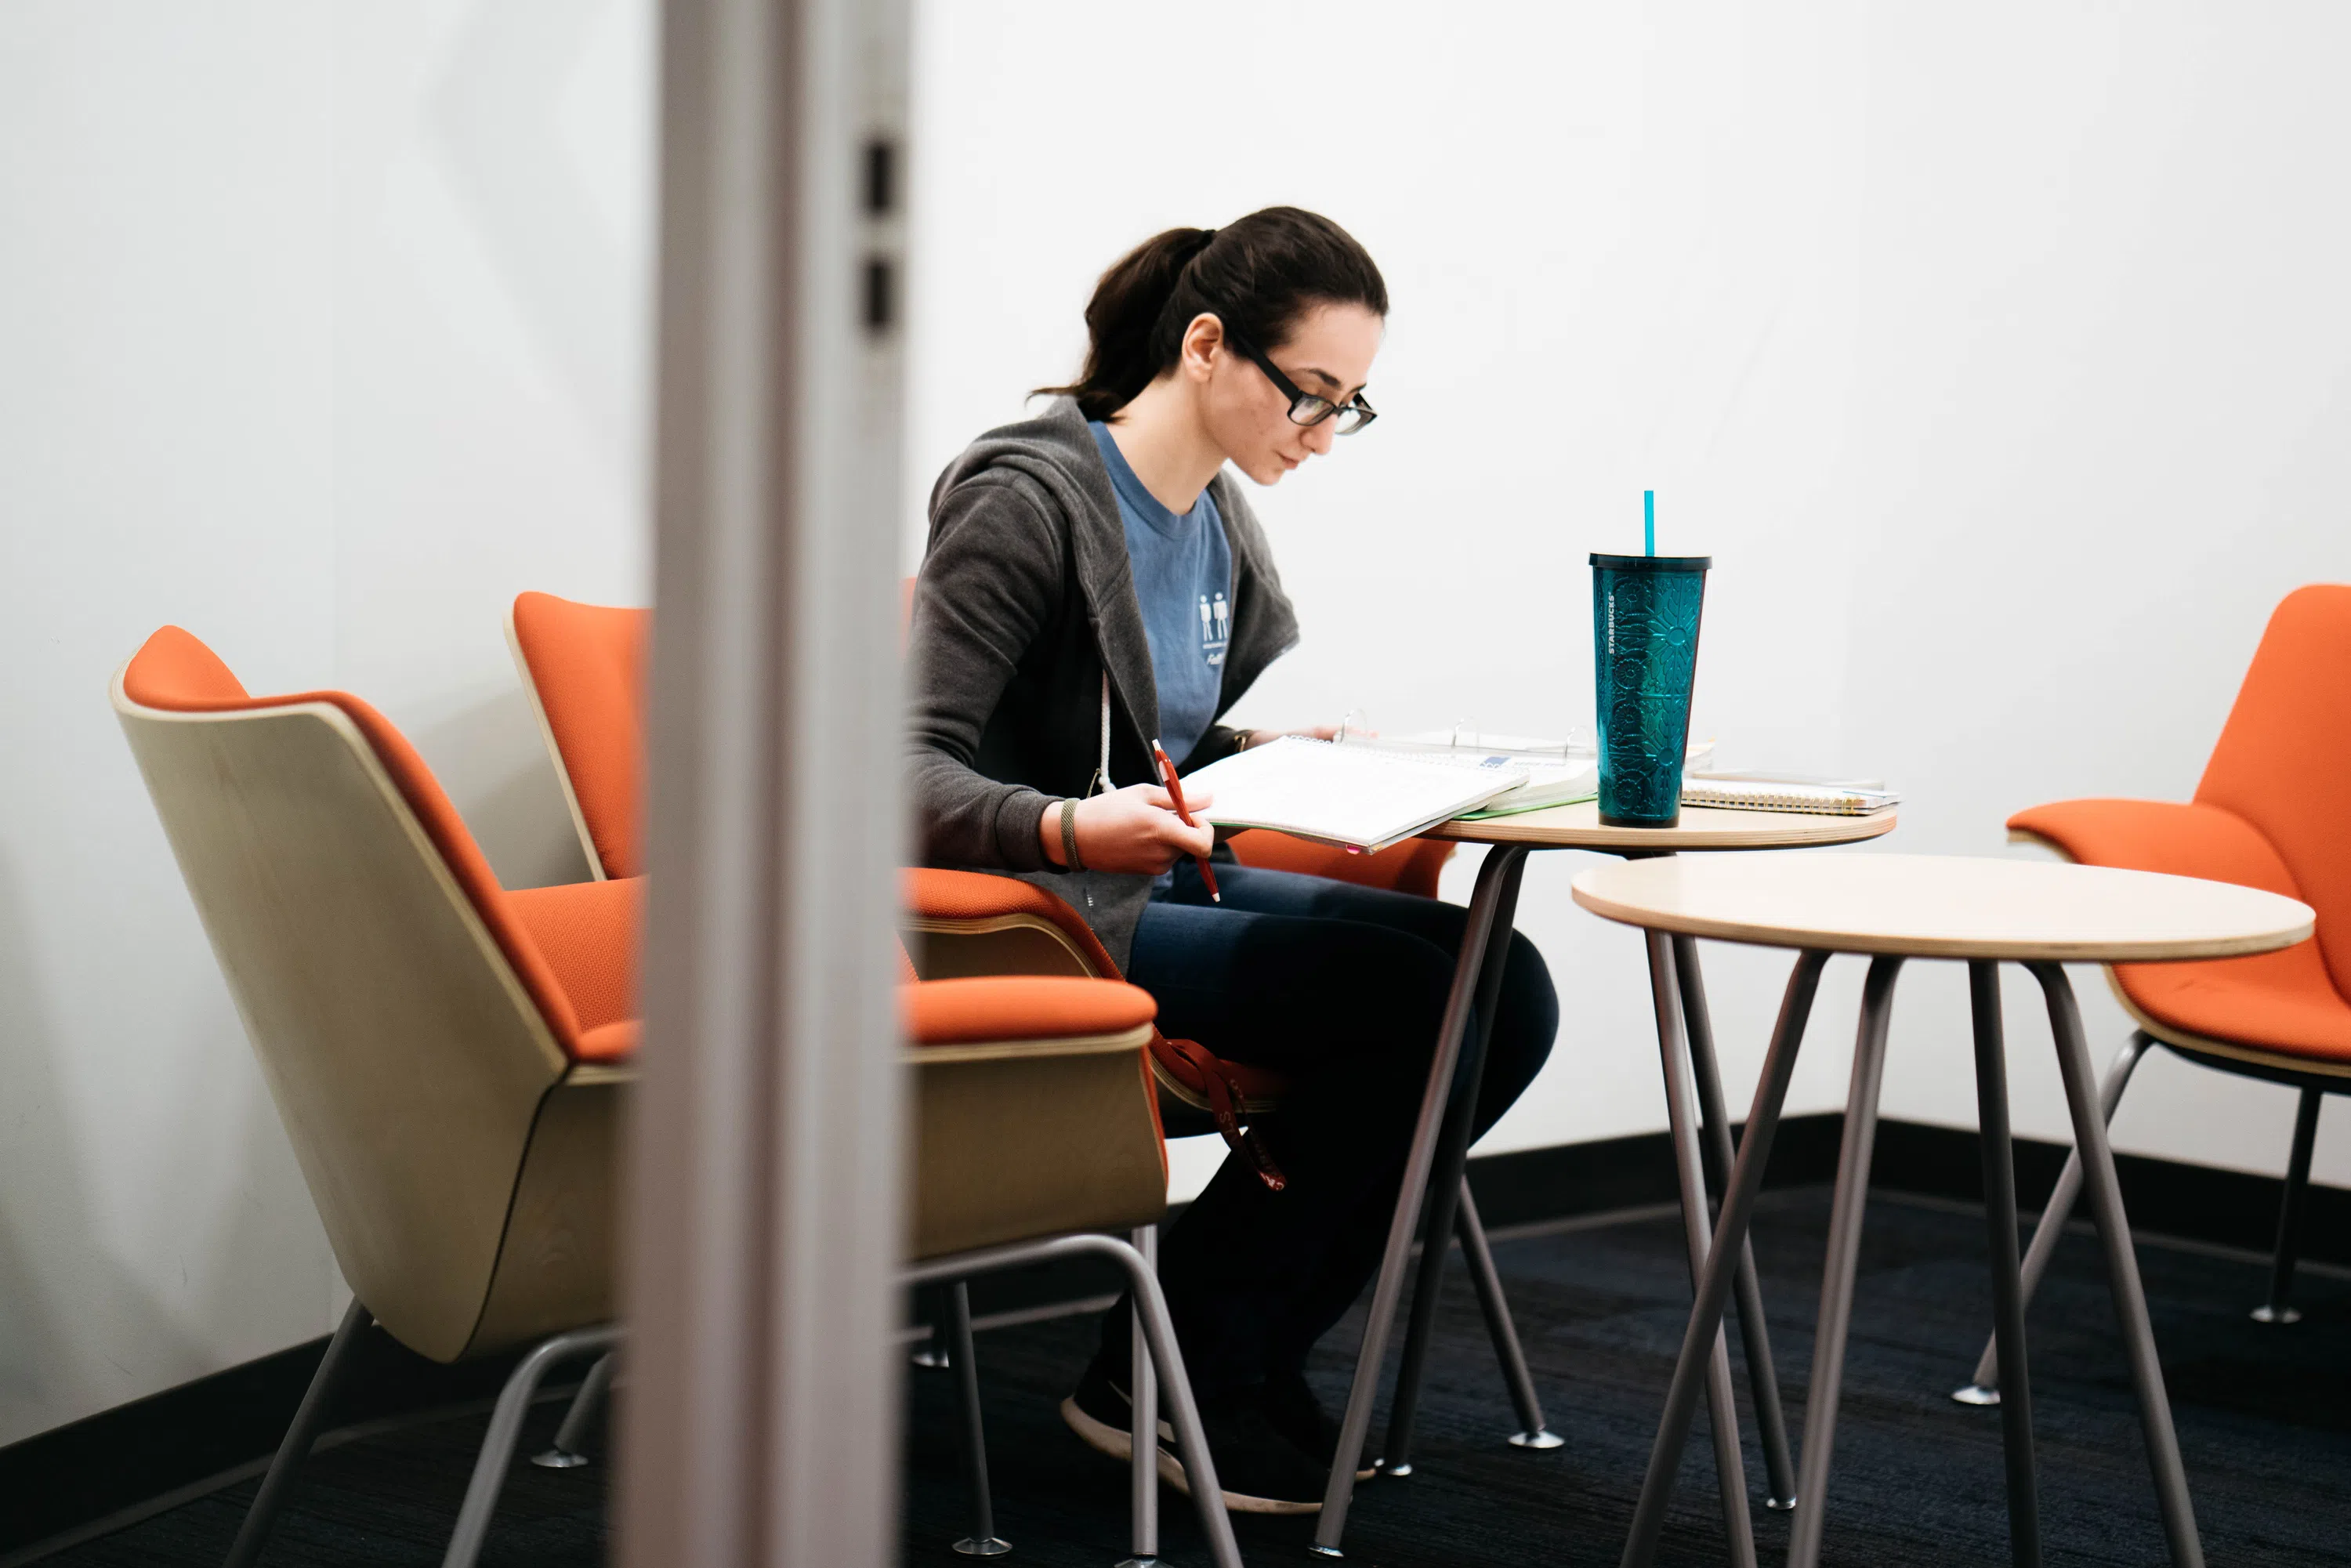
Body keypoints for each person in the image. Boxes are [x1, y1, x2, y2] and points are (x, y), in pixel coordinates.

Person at [907, 206, 1557, 1513]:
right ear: (1207, 345)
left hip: (1137, 880)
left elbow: (1139, 732)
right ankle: (1177, 1366)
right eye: (1311, 396)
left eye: (1350, 406)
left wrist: (1262, 748)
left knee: (1506, 983)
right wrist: (1068, 825)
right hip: (1026, 913)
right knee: (1419, 999)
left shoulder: (1207, 515)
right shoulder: (1026, 501)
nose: (1322, 435)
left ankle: (1228, 1351)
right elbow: (895, 772)